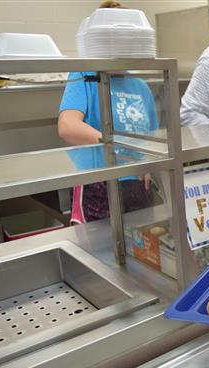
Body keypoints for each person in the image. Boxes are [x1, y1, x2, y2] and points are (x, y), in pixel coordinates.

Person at [58, 1, 156, 224]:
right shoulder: (84, 75)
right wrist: (118, 147)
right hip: (98, 181)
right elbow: (68, 126)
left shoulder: (139, 84)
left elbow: (151, 138)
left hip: (137, 183)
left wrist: (148, 162)